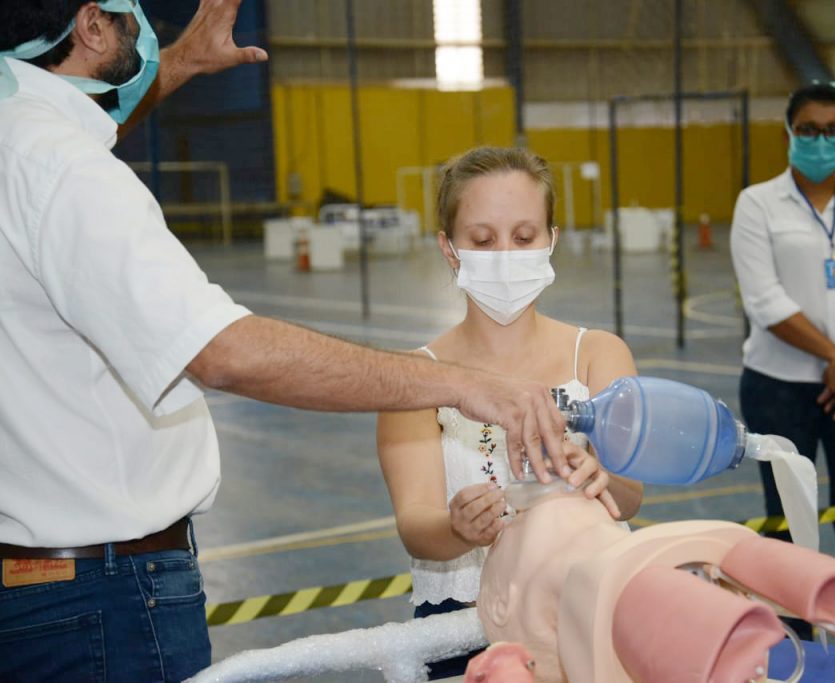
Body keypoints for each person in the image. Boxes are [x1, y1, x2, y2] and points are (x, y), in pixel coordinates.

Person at [0, 4, 571, 681]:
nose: (144, 23)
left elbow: (69, 148)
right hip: (100, 594)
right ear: (92, 26)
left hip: (40, 577)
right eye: (130, 12)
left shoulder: (22, 138)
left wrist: (178, 64)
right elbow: (226, 351)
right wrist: (459, 381)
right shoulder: (63, 168)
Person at [376, 146, 644, 679]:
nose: (504, 253)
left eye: (524, 237)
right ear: (449, 249)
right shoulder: (413, 377)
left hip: (586, 602)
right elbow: (416, 524)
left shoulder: (598, 355)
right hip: (463, 620)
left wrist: (602, 479)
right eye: (481, 239)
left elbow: (631, 496)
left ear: (553, 239)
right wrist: (458, 527)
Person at [728, 83, 835, 597]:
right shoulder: (757, 204)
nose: (821, 140)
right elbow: (765, 300)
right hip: (778, 389)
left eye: (832, 130)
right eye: (808, 130)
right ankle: (794, 648)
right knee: (785, 525)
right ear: (789, 132)